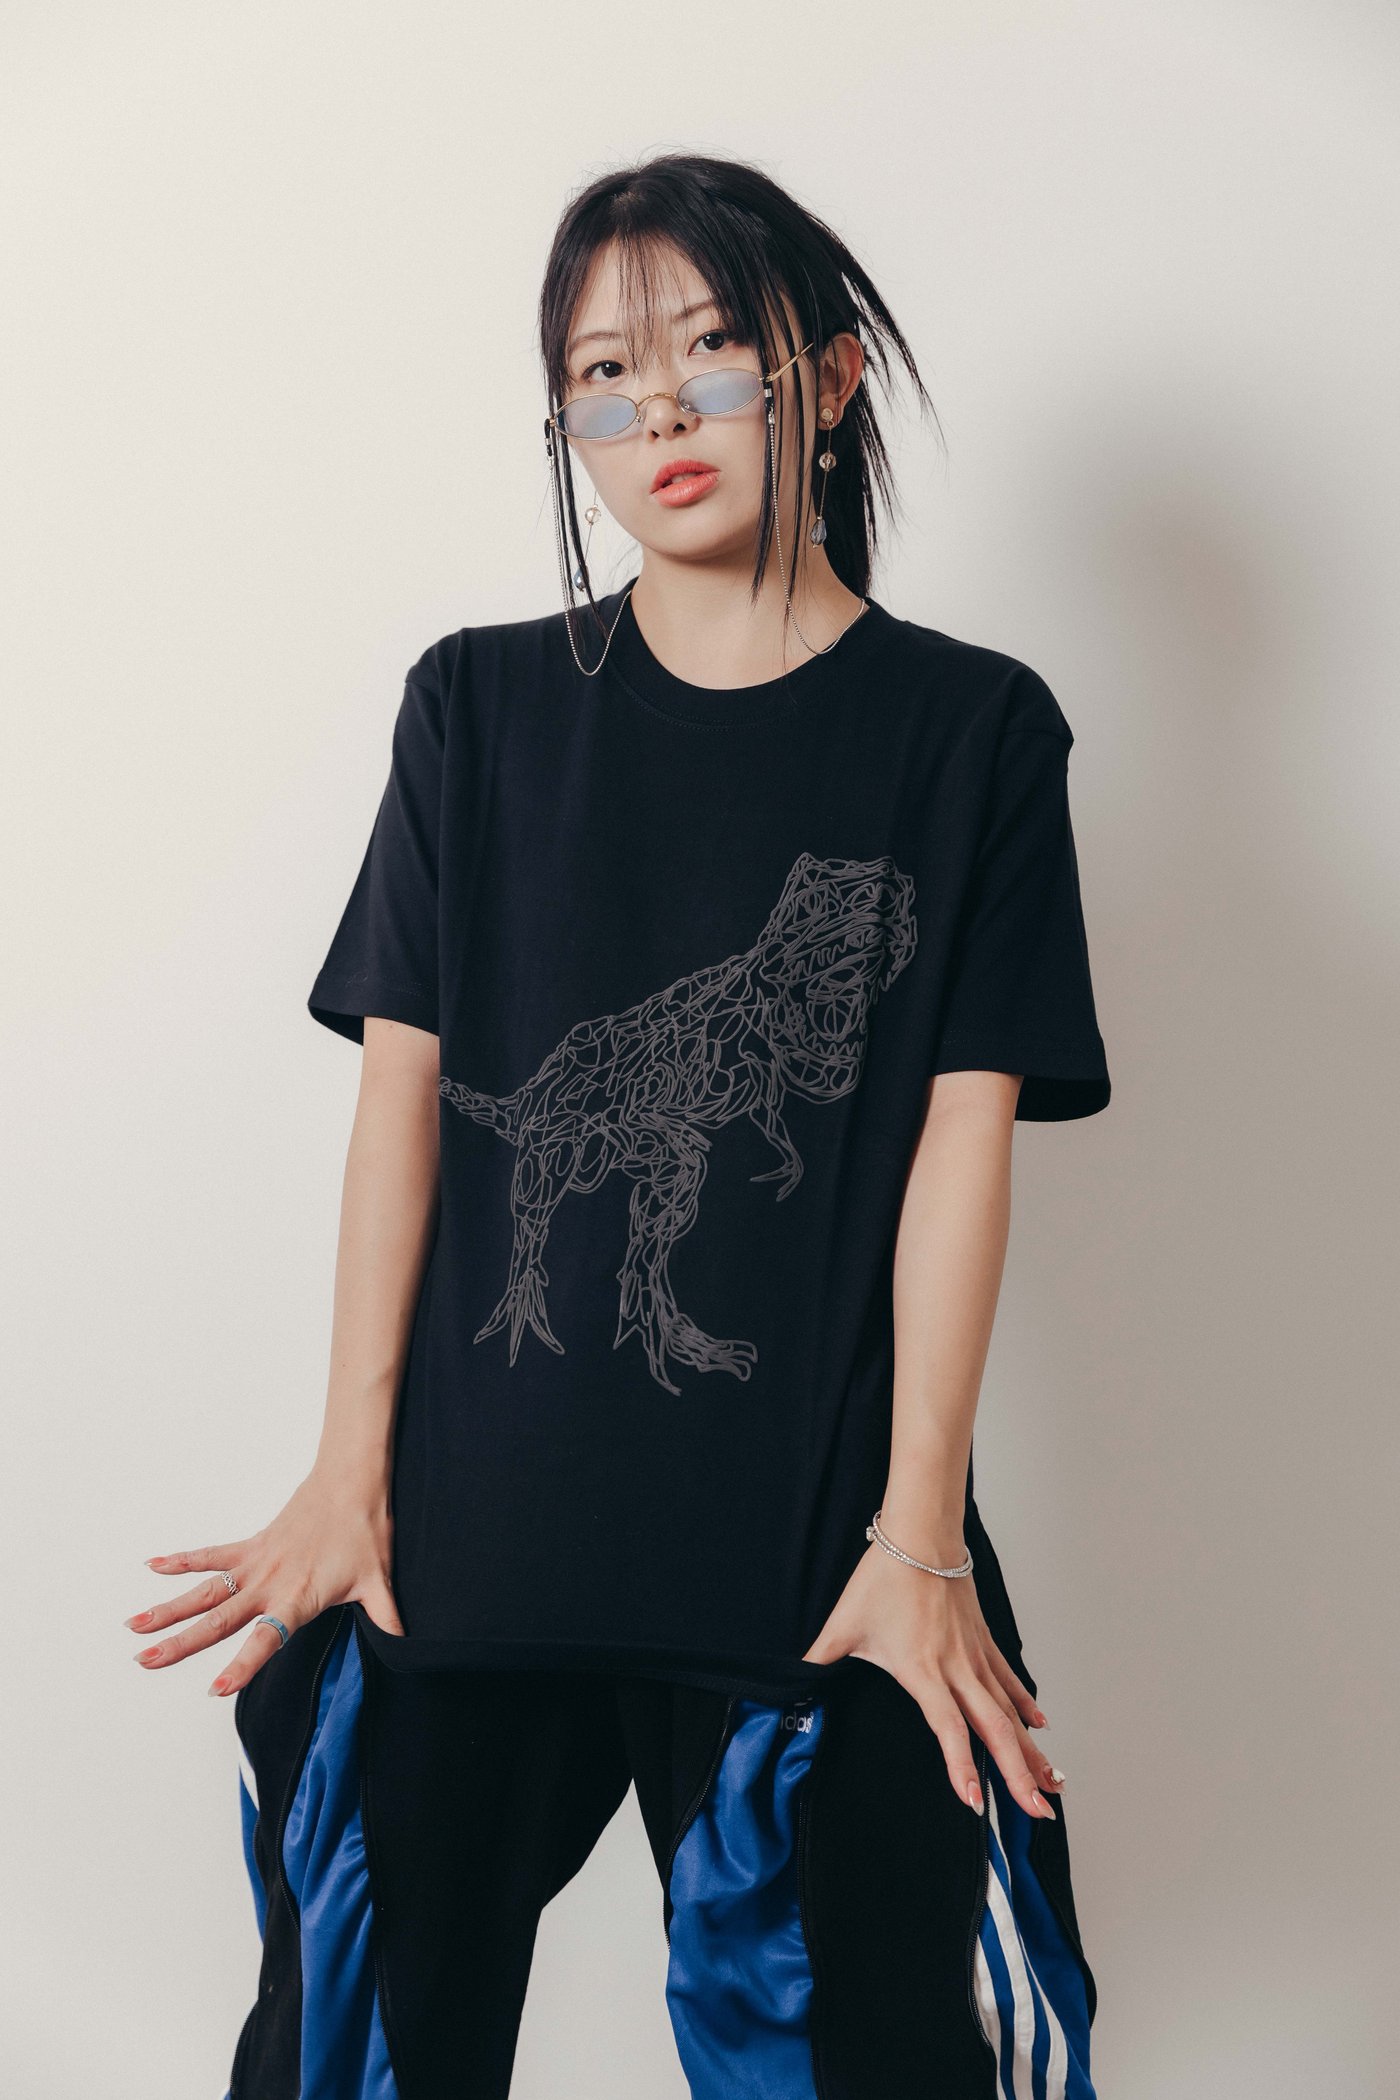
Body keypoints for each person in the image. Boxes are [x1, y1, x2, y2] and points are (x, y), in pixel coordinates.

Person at [128, 152, 1111, 2098]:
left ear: (830, 378)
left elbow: (957, 1146)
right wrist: (345, 1474)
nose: (658, 410)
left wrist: (921, 1537)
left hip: (818, 1557)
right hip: (467, 1537)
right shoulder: (477, 712)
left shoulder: (971, 733)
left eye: (712, 351)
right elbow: (405, 1100)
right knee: (347, 2044)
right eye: (602, 372)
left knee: (873, 2049)